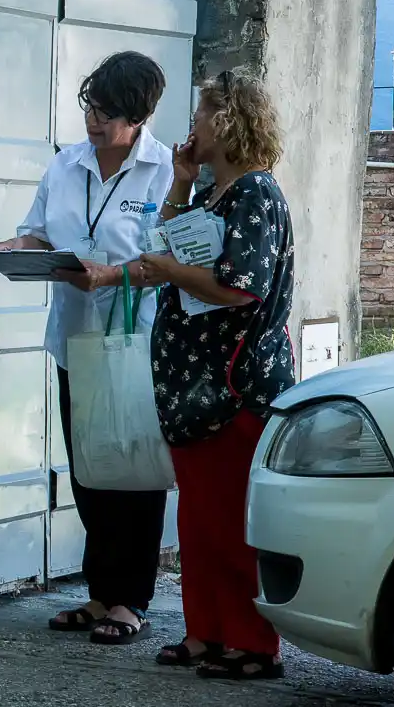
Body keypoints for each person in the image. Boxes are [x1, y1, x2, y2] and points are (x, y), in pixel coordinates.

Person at [0, 51, 173, 645]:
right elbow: (40, 229)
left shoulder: (165, 172)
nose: (96, 122)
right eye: (91, 107)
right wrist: (16, 246)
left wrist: (111, 275)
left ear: (140, 117)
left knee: (133, 470)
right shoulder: (65, 164)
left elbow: (173, 262)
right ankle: (99, 595)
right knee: (88, 470)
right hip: (74, 341)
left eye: (110, 113)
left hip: (134, 342)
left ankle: (131, 601)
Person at [140, 71, 294, 680]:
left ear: (227, 121)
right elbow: (164, 244)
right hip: (196, 390)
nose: (193, 125)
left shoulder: (255, 194)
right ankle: (205, 633)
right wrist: (179, 184)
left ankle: (253, 645)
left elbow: (238, 287)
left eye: (202, 113)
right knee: (200, 520)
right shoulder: (217, 194)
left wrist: (170, 271)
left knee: (232, 522)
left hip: (234, 387)